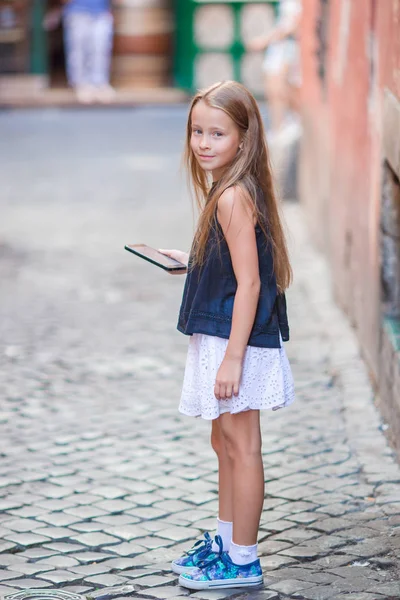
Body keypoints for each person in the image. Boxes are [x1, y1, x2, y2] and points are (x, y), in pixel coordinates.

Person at [159, 80, 295, 590]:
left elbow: (252, 282)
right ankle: (224, 540)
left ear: (244, 138)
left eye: (217, 133)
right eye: (197, 131)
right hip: (225, 334)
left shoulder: (234, 196)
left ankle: (243, 559)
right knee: (224, 441)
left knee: (242, 446)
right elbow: (239, 266)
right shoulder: (230, 190)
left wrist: (233, 359)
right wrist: (195, 263)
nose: (203, 142)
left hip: (236, 341)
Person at [247, 0, 302, 140]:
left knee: (282, 88)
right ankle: (279, 128)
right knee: (273, 88)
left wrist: (264, 40)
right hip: (280, 46)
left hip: (288, 46)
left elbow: (293, 25)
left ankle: (290, 124)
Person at [62, 0, 115, 103]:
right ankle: (80, 83)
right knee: (78, 51)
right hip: (77, 11)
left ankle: (100, 83)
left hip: (101, 12)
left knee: (100, 48)